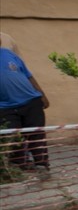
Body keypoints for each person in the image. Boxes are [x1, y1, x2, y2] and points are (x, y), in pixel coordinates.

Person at [0, 33, 50, 172]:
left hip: (31, 101)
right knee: (13, 138)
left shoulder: (9, 54)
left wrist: (42, 95)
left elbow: (28, 75)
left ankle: (42, 164)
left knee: (37, 135)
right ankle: (22, 167)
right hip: (5, 107)